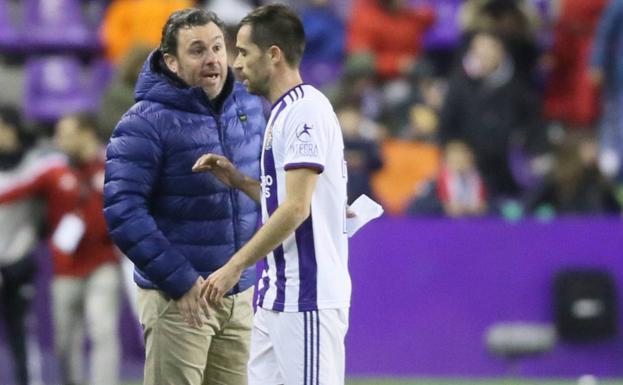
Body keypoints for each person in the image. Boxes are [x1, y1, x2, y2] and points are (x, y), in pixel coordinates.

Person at [103, 8, 266, 385]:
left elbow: (267, 186)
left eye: (217, 48)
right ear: (171, 61)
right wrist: (180, 280)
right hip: (178, 300)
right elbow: (123, 211)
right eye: (197, 51)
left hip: (237, 295)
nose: (212, 59)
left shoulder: (249, 107)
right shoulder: (142, 123)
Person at [193, 5, 350, 384]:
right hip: (277, 295)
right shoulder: (282, 113)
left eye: (244, 52)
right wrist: (239, 180)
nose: (236, 63)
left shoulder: (305, 111)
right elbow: (284, 200)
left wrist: (235, 266)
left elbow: (296, 208)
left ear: (274, 54)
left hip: (306, 297)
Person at [0, 113, 121, 385]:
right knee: (65, 340)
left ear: (87, 134)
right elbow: (13, 191)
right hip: (65, 267)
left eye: (65, 134)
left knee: (103, 331)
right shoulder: (52, 170)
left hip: (103, 263)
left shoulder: (114, 164)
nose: (58, 141)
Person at [0, 106, 42, 385]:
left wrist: (17, 259)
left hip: (18, 263)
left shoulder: (35, 164)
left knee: (21, 336)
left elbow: (38, 219)